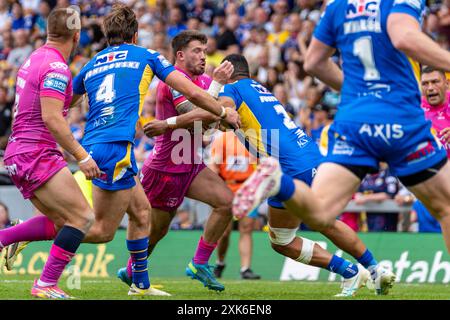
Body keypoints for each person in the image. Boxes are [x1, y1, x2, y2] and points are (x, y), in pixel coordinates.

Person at [3, 4, 240, 297]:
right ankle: (23, 237)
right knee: (99, 229)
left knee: (142, 213)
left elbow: (70, 101)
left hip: (97, 143)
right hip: (114, 149)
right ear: (136, 34)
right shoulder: (146, 56)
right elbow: (191, 91)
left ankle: (139, 285)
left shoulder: (93, 63)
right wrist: (221, 111)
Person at [233, 0, 450, 293]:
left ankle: (279, 182)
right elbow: (403, 37)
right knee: (446, 208)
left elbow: (312, 63)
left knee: (320, 212)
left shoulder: (337, 6)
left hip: (354, 120)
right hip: (399, 116)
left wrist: (354, 94)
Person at [169, 54, 390, 297]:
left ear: (229, 72)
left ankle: (349, 271)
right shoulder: (260, 89)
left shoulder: (233, 89)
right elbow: (227, 123)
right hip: (312, 158)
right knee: (324, 221)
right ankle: (374, 268)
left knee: (282, 240)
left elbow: (211, 117)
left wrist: (171, 121)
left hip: (287, 168)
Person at [116, 30, 236, 293]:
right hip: (167, 167)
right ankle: (132, 272)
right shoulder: (173, 80)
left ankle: (199, 263)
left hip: (191, 163)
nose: (203, 56)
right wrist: (217, 96)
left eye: (205, 51)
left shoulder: (203, 81)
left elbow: (207, 126)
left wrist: (224, 114)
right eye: (197, 51)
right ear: (180, 55)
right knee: (157, 231)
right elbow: (193, 113)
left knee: (226, 203)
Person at [0, 7, 99, 299]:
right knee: (82, 218)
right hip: (36, 153)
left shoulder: (34, 58)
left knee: (61, 223)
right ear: (77, 35)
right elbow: (52, 118)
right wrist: (82, 156)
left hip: (19, 152)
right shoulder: (57, 67)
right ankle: (45, 283)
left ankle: (5, 237)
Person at [209, 131, 261, 280]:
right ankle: (220, 262)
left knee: (246, 228)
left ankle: (245, 268)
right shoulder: (223, 139)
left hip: (248, 188)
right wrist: (216, 187)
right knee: (224, 232)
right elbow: (214, 165)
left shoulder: (254, 139)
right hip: (227, 187)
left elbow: (261, 164)